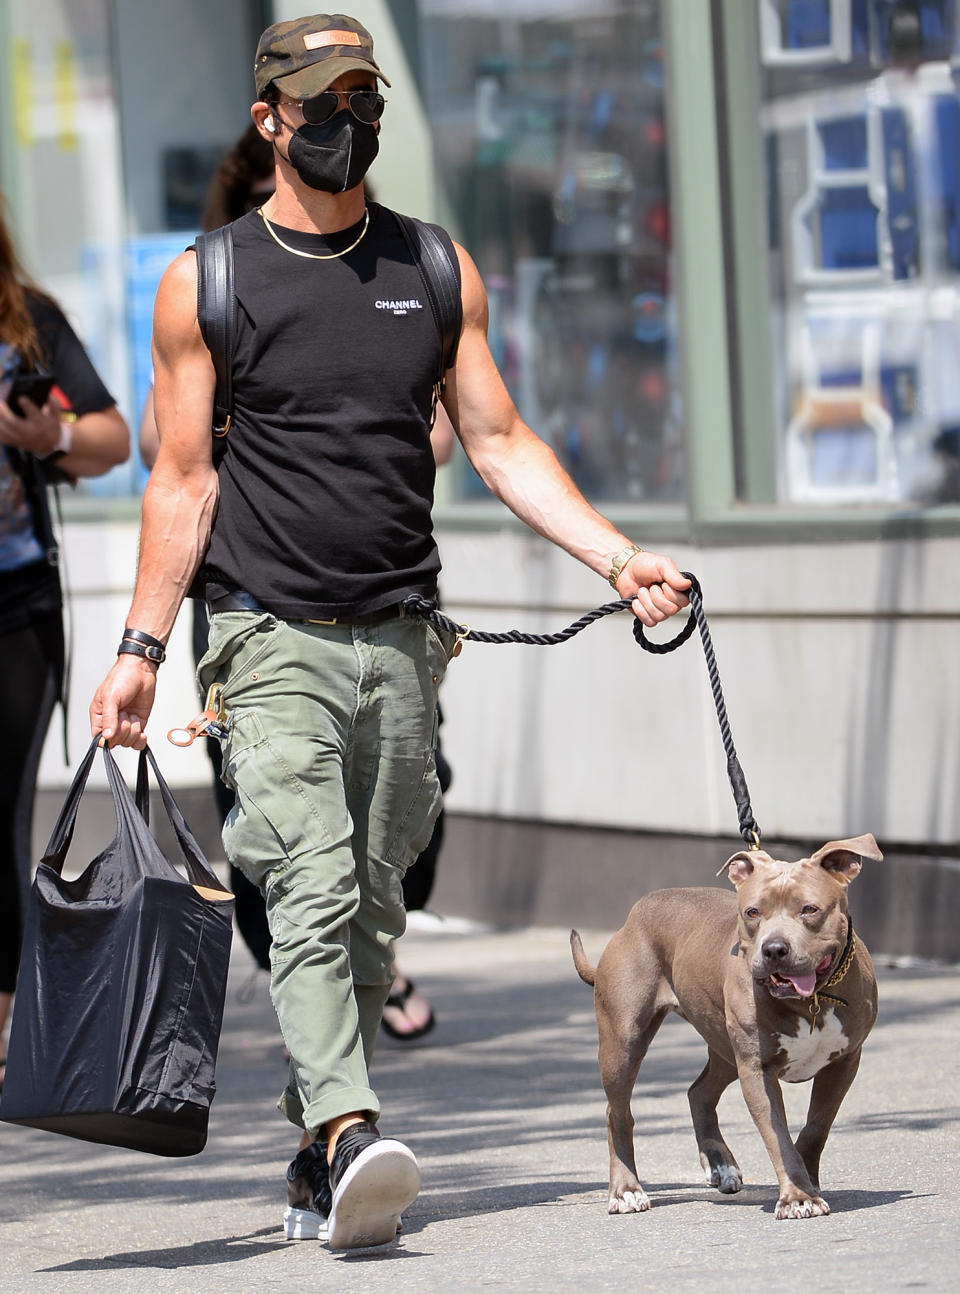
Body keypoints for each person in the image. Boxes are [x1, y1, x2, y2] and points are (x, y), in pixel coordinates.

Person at [89, 13, 689, 1252]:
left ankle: (315, 1152)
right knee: (305, 882)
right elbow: (180, 480)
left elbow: (503, 440)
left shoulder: (434, 264)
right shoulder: (208, 281)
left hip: (405, 638)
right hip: (267, 638)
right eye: (319, 101)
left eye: (362, 97)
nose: (344, 119)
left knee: (368, 909)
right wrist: (143, 650)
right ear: (270, 120)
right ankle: (356, 1129)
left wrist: (622, 561)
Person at [0, 195, 129, 1090]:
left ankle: (9, 1018)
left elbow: (113, 439)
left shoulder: (28, 321)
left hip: (16, 609)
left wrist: (53, 436)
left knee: (0, 817)